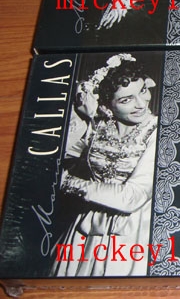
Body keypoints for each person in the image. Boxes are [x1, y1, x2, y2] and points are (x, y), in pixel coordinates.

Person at [52, 54, 158, 276]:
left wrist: (66, 182)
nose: (141, 104)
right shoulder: (98, 126)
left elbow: (132, 197)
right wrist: (83, 118)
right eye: (126, 100)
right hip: (88, 227)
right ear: (107, 105)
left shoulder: (159, 131)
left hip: (133, 231)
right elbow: (53, 157)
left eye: (142, 91)